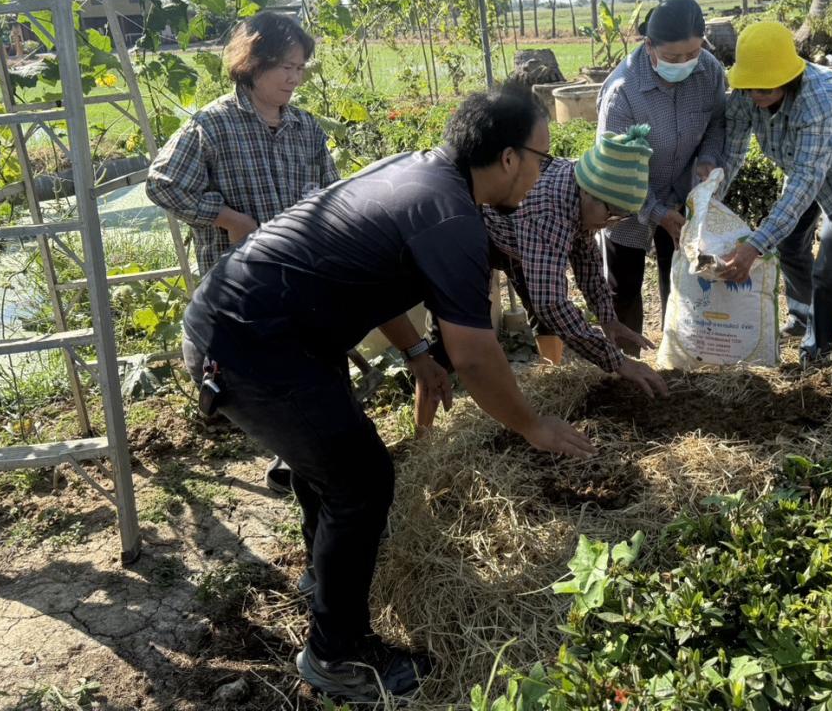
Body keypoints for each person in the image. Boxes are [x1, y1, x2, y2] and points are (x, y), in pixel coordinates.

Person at [180, 85, 595, 704]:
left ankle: (323, 580)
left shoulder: (417, 175)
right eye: (544, 157)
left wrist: (417, 353)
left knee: (331, 463)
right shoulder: (453, 214)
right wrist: (534, 425)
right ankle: (335, 655)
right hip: (249, 345)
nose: (545, 172)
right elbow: (479, 358)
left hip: (262, 330)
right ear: (508, 158)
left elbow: (367, 271)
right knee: (361, 480)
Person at [147, 12, 336, 494]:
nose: (294, 78)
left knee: (311, 359)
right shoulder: (213, 125)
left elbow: (332, 194)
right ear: (252, 64)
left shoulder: (305, 128)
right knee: (260, 368)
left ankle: (303, 456)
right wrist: (229, 219)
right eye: (285, 67)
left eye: (301, 68)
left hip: (296, 270)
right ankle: (290, 452)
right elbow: (163, 185)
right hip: (239, 277)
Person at [718, 21, 832, 365]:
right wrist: (709, 201)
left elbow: (807, 183)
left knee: (829, 266)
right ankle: (800, 314)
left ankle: (819, 349)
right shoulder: (746, 96)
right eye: (748, 87)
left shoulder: (819, 100)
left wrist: (753, 247)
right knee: (790, 244)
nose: (754, 96)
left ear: (789, 78)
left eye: (764, 89)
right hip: (802, 166)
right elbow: (732, 153)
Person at [479, 125, 669, 399]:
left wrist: (608, 318)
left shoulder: (585, 190)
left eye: (619, 218)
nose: (607, 223)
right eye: (609, 213)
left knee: (544, 313)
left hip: (521, 236)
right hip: (483, 233)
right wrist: (616, 361)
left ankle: (550, 379)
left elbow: (587, 259)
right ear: (587, 192)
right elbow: (551, 303)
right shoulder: (549, 211)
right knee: (472, 329)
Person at [597, 0, 726, 350]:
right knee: (623, 289)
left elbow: (717, 122)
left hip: (683, 192)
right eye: (672, 58)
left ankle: (680, 355)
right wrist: (656, 213)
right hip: (628, 200)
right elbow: (617, 171)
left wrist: (708, 159)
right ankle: (626, 363)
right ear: (648, 46)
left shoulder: (710, 71)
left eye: (692, 54)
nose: (685, 63)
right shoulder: (622, 92)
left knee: (683, 279)